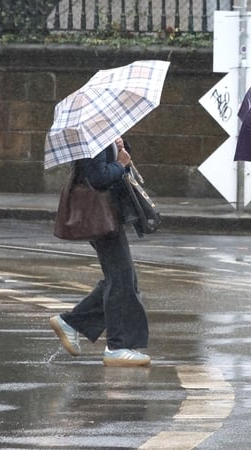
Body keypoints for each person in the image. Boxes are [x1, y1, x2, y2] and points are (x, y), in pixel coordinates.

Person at [49, 136, 151, 367]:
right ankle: (117, 347)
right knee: (122, 279)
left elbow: (105, 164)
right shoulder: (90, 134)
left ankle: (73, 323)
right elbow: (97, 176)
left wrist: (121, 147)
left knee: (122, 278)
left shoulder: (100, 133)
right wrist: (121, 164)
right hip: (100, 214)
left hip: (106, 213)